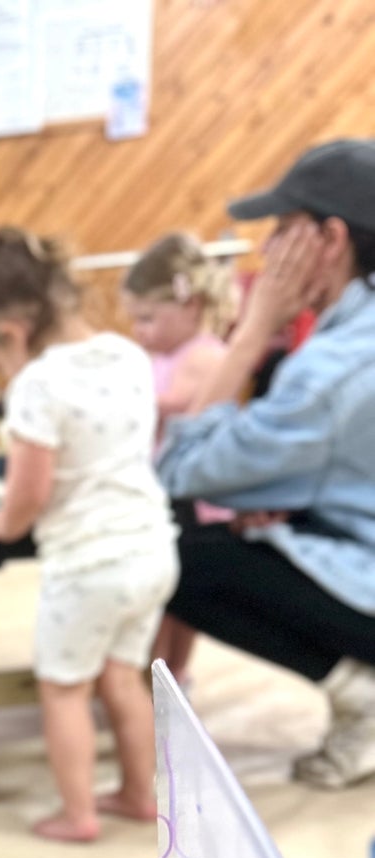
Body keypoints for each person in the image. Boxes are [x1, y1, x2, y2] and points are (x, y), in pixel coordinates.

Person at [157, 141, 375, 788]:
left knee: (174, 548)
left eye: (281, 230)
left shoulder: (329, 370)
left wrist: (250, 331)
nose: (266, 251)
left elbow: (179, 469)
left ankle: (361, 696)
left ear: (328, 239)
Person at [0, 228, 178, 841]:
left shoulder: (38, 384)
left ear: (11, 332)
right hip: (153, 547)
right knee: (121, 676)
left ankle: (78, 814)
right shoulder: (128, 354)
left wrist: (1, 524)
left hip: (90, 566)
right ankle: (139, 793)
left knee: (63, 687)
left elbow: (27, 496)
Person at [122, 232, 236, 683]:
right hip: (164, 491)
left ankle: (174, 671)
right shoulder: (161, 354)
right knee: (163, 597)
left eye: (148, 318)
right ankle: (156, 670)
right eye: (135, 320)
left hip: (194, 502)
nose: (139, 331)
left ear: (191, 306)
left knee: (180, 597)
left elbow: (182, 407)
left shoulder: (204, 355)